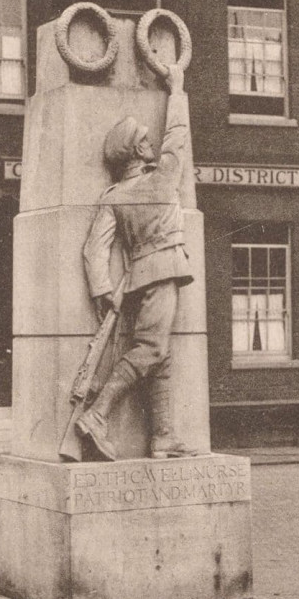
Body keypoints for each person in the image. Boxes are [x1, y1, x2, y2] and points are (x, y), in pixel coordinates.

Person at [76, 61, 197, 461]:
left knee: (159, 353)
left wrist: (103, 291)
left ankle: (163, 436)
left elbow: (94, 248)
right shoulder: (163, 177)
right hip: (164, 270)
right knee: (149, 348)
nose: (151, 141)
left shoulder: (113, 197)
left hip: (137, 278)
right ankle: (97, 414)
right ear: (139, 150)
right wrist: (176, 89)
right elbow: (178, 135)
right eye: (145, 139)